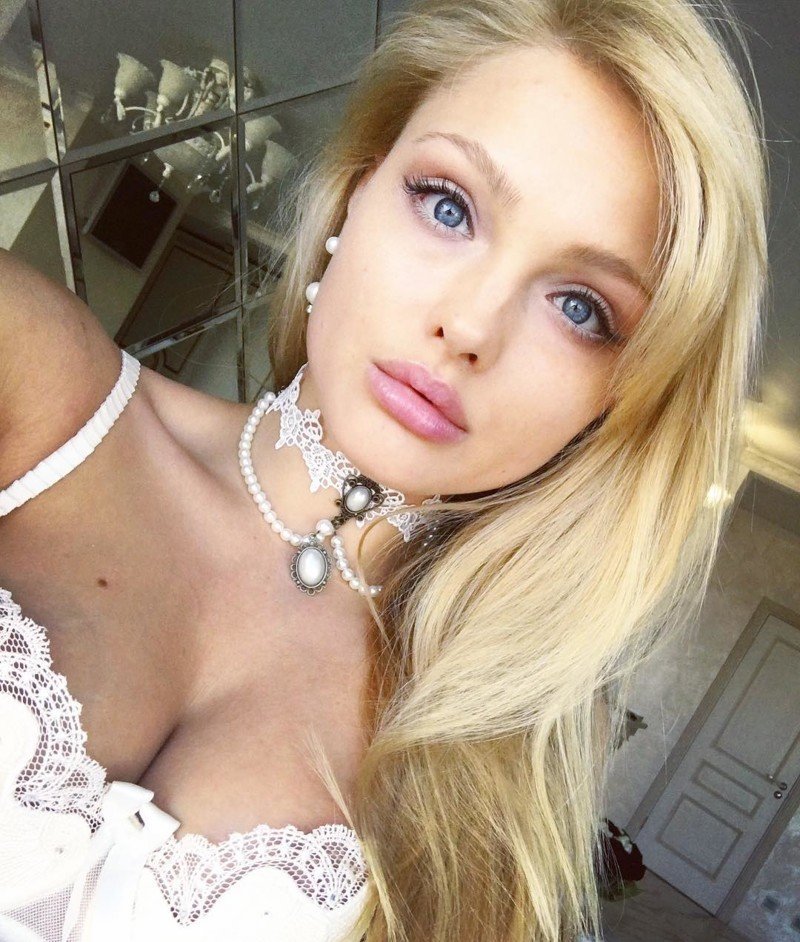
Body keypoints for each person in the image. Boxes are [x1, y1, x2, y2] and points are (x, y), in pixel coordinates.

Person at [0, 0, 768, 938]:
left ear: (615, 402)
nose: (470, 325)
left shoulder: (492, 780)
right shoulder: (34, 386)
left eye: (580, 307)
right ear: (356, 194)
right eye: (449, 206)